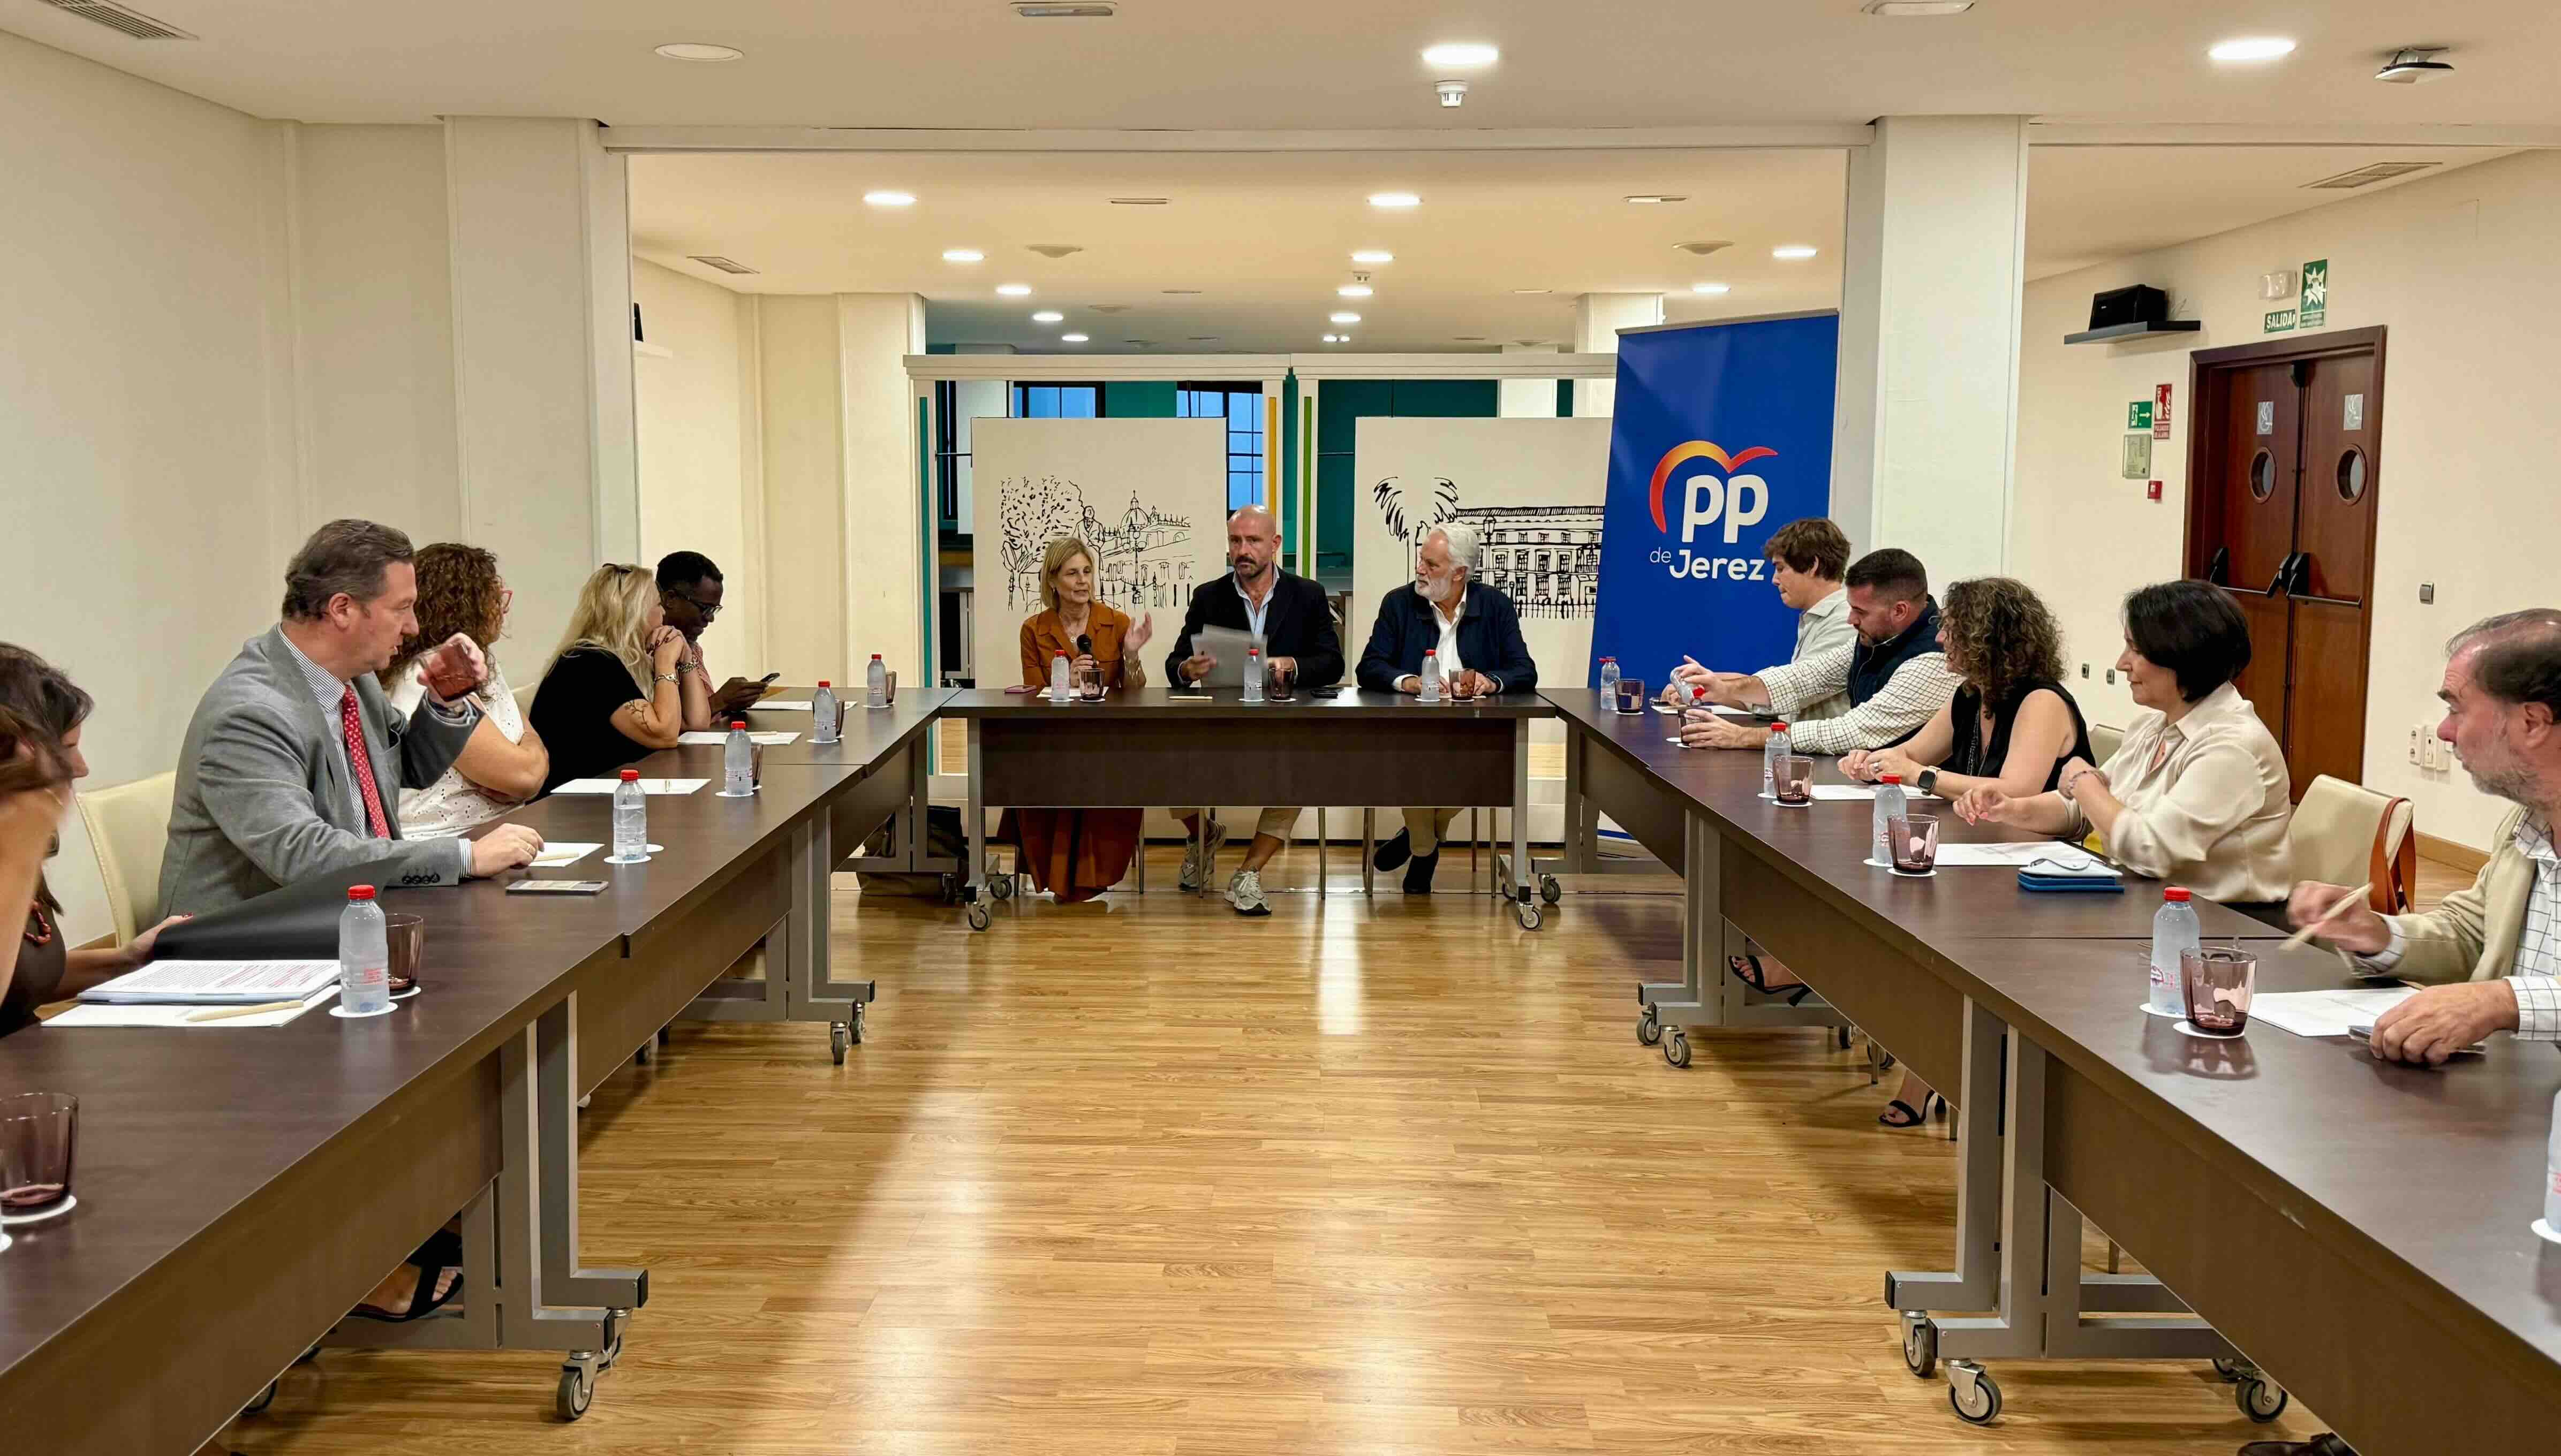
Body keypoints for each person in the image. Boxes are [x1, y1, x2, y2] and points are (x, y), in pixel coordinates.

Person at [160, 520, 544, 918]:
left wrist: (445, 699)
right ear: (342, 609)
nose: (413, 627)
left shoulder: (353, 681)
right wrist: (464, 856)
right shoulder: (250, 713)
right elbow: (302, 854)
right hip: (246, 942)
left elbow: (405, 767)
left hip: (348, 912)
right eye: (402, 608)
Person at [1828, 577, 2096, 1125]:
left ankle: (1926, 1074)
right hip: (1980, 859)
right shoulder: (1970, 694)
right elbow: (1909, 753)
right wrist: (1867, 760)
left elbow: (2015, 790)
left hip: (2037, 874)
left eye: (1951, 627)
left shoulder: (2040, 700)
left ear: (1984, 636)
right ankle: (1927, 1064)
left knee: (1935, 940)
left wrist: (1919, 776)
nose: (1941, 637)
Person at [2292, 608, 2561, 1069]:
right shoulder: (2527, 823)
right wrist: (2377, 934)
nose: (2443, 730)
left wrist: (2499, 1002)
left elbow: (2496, 994)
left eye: (2456, 708)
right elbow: (2474, 936)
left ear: (2532, 722)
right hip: (2511, 1096)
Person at [1955, 580, 2292, 913]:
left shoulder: (2233, 747)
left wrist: (2082, 780)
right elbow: (2083, 812)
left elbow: (2150, 848)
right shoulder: (2152, 727)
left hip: (2222, 929)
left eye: (2136, 650)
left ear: (2181, 654)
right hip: (2147, 905)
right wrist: (2011, 809)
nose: (2121, 663)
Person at [1163, 506, 1344, 916]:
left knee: (1300, 769)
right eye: (1235, 541)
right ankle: (1203, 837)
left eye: (1253, 541)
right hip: (1221, 719)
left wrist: (1290, 665)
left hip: (1285, 720)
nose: (1242, 550)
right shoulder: (1208, 596)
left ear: (1275, 544)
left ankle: (1248, 872)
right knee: (1168, 753)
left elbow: (1332, 662)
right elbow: (1175, 663)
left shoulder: (1308, 594)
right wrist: (1185, 669)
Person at [1355, 520, 1538, 892]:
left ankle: (1417, 841)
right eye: (1421, 560)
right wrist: (1407, 681)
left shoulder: (1494, 605)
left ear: (1460, 573)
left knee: (1476, 770)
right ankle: (1425, 848)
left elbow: (1524, 669)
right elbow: (1369, 666)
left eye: (1431, 565)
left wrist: (1492, 681)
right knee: (1418, 765)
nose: (1420, 570)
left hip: (1474, 728)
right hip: (1413, 728)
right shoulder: (1399, 603)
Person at [1676, 547, 1961, 755]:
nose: (1851, 620)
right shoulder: (1879, 637)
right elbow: (1807, 678)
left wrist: (1742, 736)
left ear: (1900, 610)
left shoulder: (1934, 659)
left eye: (1860, 611)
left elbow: (1852, 732)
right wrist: (1726, 689)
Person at [1001, 537, 1154, 902]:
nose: (1083, 581)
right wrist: (1066, 680)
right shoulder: (1033, 629)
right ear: (1052, 581)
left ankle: (1091, 875)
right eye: (1072, 574)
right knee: (1035, 772)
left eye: (1087, 572)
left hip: (1104, 739)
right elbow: (1031, 694)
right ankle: (1052, 871)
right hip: (1051, 738)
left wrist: (1131, 656)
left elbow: (1134, 691)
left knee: (1100, 772)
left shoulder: (1115, 622)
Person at [382, 544, 548, 837]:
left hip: (498, 830)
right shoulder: (433, 673)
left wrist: (528, 759)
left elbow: (532, 745)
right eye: (494, 597)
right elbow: (525, 776)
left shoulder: (480, 662)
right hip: (447, 842)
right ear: (467, 605)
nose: (502, 607)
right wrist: (526, 766)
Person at [531, 563, 701, 794]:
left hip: (612, 795)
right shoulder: (589, 662)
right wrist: (666, 663)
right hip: (575, 809)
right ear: (634, 613)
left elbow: (697, 723)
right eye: (658, 605)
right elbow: (665, 735)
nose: (663, 614)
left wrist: (688, 659)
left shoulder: (626, 659)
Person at [1664, 517, 1856, 722]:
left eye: (1781, 568)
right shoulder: (1816, 618)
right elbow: (1781, 697)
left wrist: (1719, 686)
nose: (1774, 579)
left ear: (1813, 565)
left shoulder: (1846, 620)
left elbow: (1796, 688)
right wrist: (1710, 684)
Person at [657, 550, 766, 727]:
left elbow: (704, 719)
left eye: (715, 610)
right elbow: (665, 727)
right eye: (705, 608)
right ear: (670, 599)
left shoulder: (692, 647)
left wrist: (730, 704)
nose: (710, 618)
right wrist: (720, 701)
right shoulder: (648, 651)